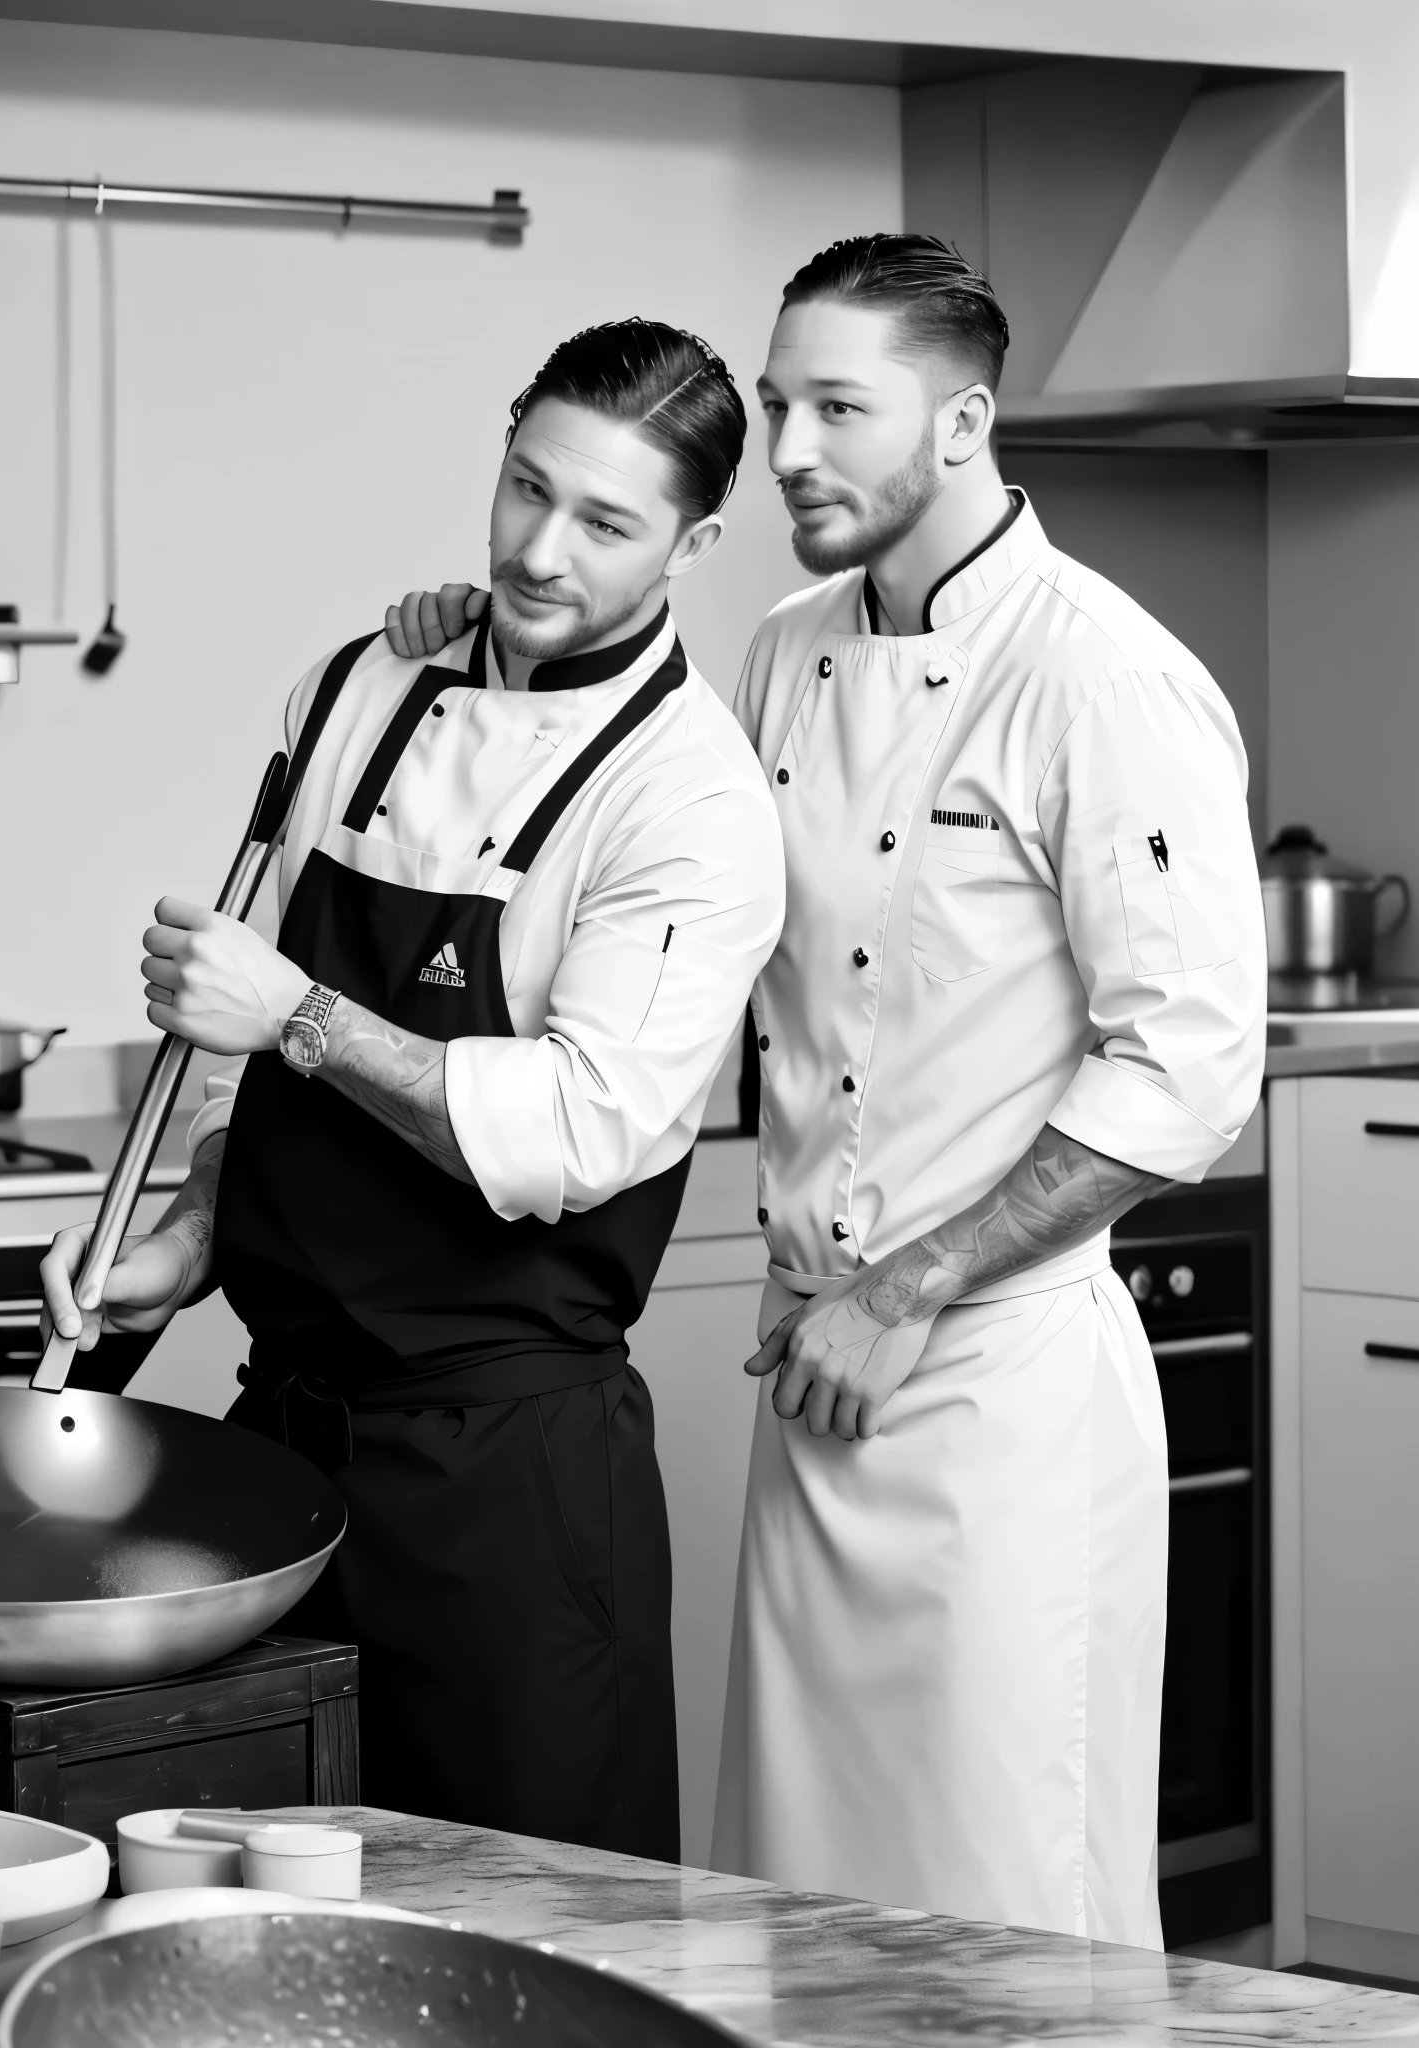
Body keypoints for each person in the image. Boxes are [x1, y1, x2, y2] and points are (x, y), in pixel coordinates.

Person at [383, 236, 1266, 1943]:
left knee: (1011, 1924)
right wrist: (478, 648)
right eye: (780, 401)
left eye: (837, 407)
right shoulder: (784, 651)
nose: (786, 449)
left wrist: (914, 1283)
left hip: (994, 1385)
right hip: (820, 1370)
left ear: (963, 422)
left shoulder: (1104, 677)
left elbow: (1191, 1062)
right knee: (803, 1912)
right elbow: (644, 828)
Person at [40, 318, 786, 1862]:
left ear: (696, 542)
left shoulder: (693, 801)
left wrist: (297, 1011)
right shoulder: (359, 684)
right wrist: (186, 1232)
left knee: (529, 1945)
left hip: (506, 1489)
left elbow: (570, 1134)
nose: (539, 550)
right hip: (282, 1455)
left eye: (607, 522)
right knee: (278, 1929)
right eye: (526, 487)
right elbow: (238, 1070)